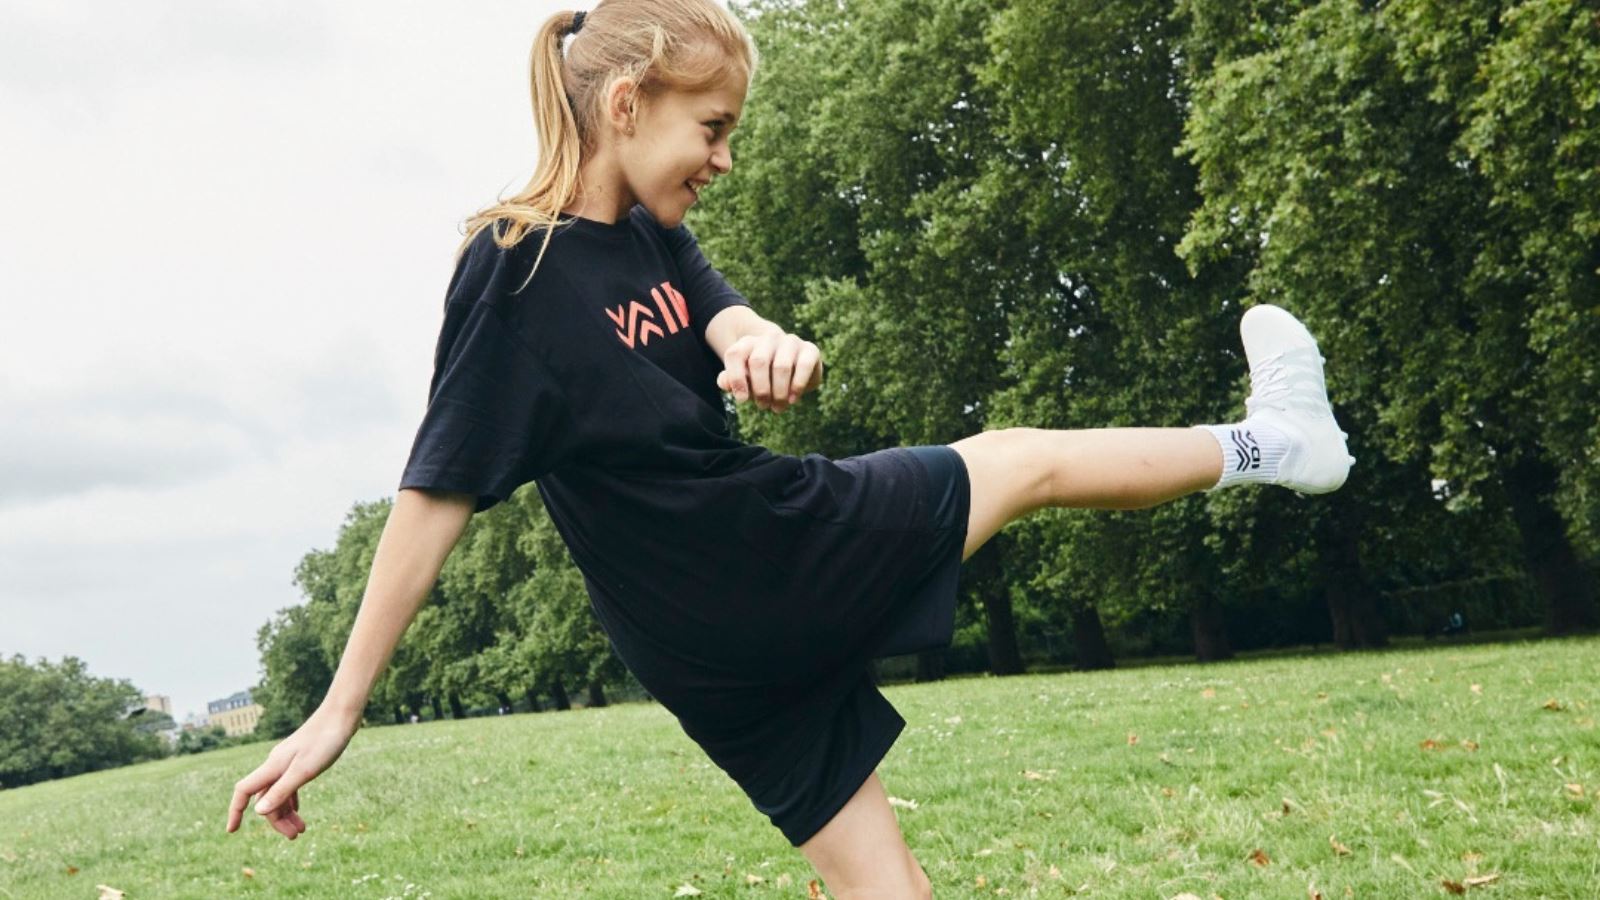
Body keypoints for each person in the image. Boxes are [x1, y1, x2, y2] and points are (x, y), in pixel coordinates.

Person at [223, 1, 1355, 896]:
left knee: (887, 889)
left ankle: (1279, 441)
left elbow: (728, 318)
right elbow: (437, 488)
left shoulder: (653, 236)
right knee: (1021, 461)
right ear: (626, 103)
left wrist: (769, 347)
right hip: (751, 557)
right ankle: (1275, 441)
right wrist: (340, 705)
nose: (722, 159)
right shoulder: (515, 265)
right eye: (711, 128)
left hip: (707, 654)